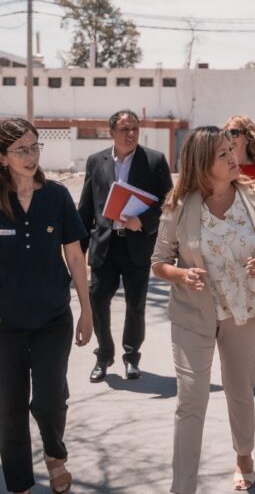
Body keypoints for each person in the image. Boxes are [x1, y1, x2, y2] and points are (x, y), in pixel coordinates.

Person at [150, 126, 255, 493]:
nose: (233, 158)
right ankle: (182, 487)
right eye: (222, 154)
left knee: (239, 390)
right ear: (201, 163)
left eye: (232, 149)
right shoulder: (179, 204)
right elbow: (159, 262)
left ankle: (244, 455)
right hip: (193, 316)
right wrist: (181, 275)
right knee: (190, 401)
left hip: (245, 312)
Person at [0, 119, 93, 494]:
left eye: (35, 146)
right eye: (21, 149)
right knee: (10, 408)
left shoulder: (57, 196)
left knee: (51, 400)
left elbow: (74, 255)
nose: (31, 155)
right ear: (3, 157)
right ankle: (19, 485)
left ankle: (54, 453)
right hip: (3, 323)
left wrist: (87, 310)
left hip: (53, 318)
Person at [79, 110, 173, 382]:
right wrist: (77, 250)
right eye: (124, 129)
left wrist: (143, 221)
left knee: (135, 304)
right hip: (104, 245)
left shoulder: (154, 160)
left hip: (137, 244)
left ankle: (132, 357)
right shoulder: (96, 161)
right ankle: (104, 355)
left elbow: (169, 203)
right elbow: (86, 208)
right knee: (98, 300)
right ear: (111, 133)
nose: (131, 134)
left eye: (135, 129)